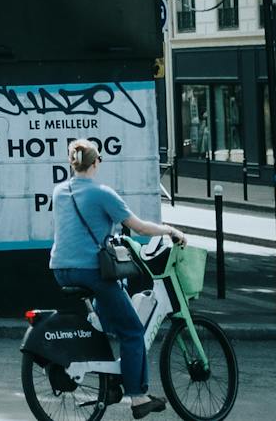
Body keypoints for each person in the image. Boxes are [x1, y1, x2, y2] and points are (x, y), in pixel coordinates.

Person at [50, 138, 186, 420]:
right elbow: (138, 226)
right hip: (90, 270)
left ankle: (110, 374)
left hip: (60, 268)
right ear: (96, 162)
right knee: (133, 331)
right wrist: (170, 231)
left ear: (71, 162)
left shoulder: (59, 191)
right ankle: (137, 397)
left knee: (113, 302)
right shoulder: (103, 193)